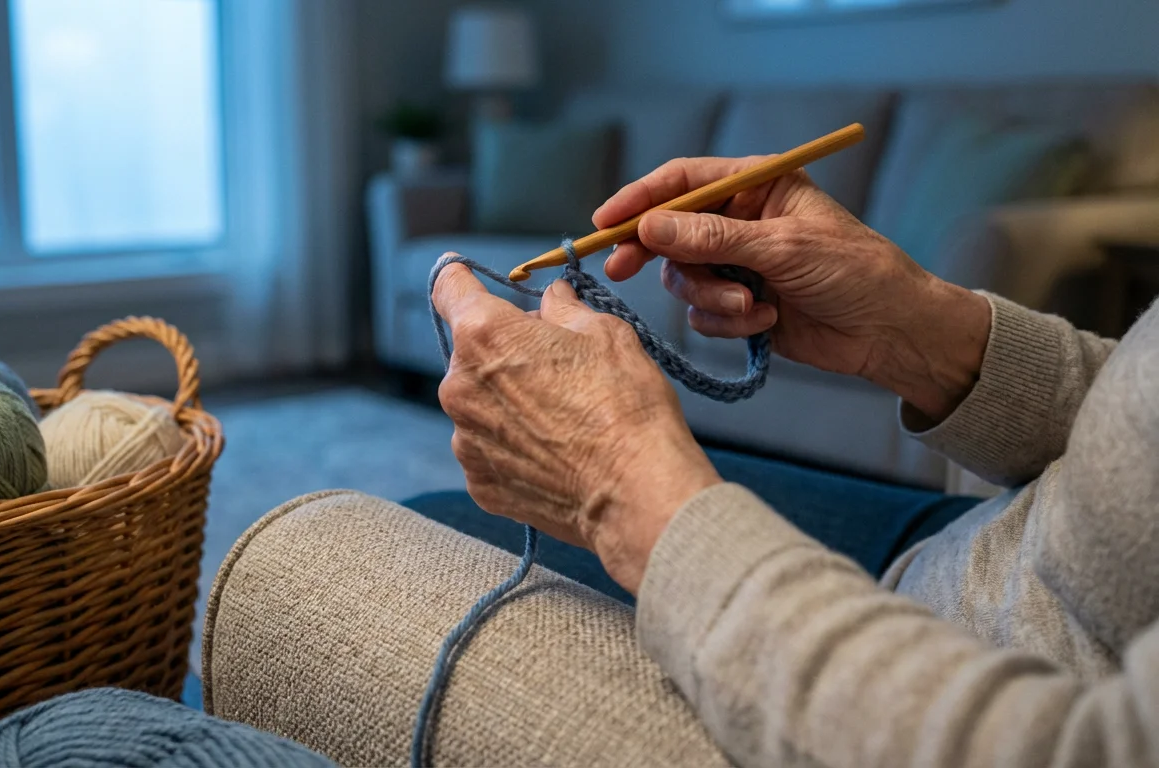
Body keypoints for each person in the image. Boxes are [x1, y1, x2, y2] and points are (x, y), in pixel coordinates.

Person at [428, 155, 1159, 766]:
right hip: (991, 541)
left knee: (419, 541)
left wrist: (618, 488)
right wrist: (917, 327)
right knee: (450, 521)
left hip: (904, 687)